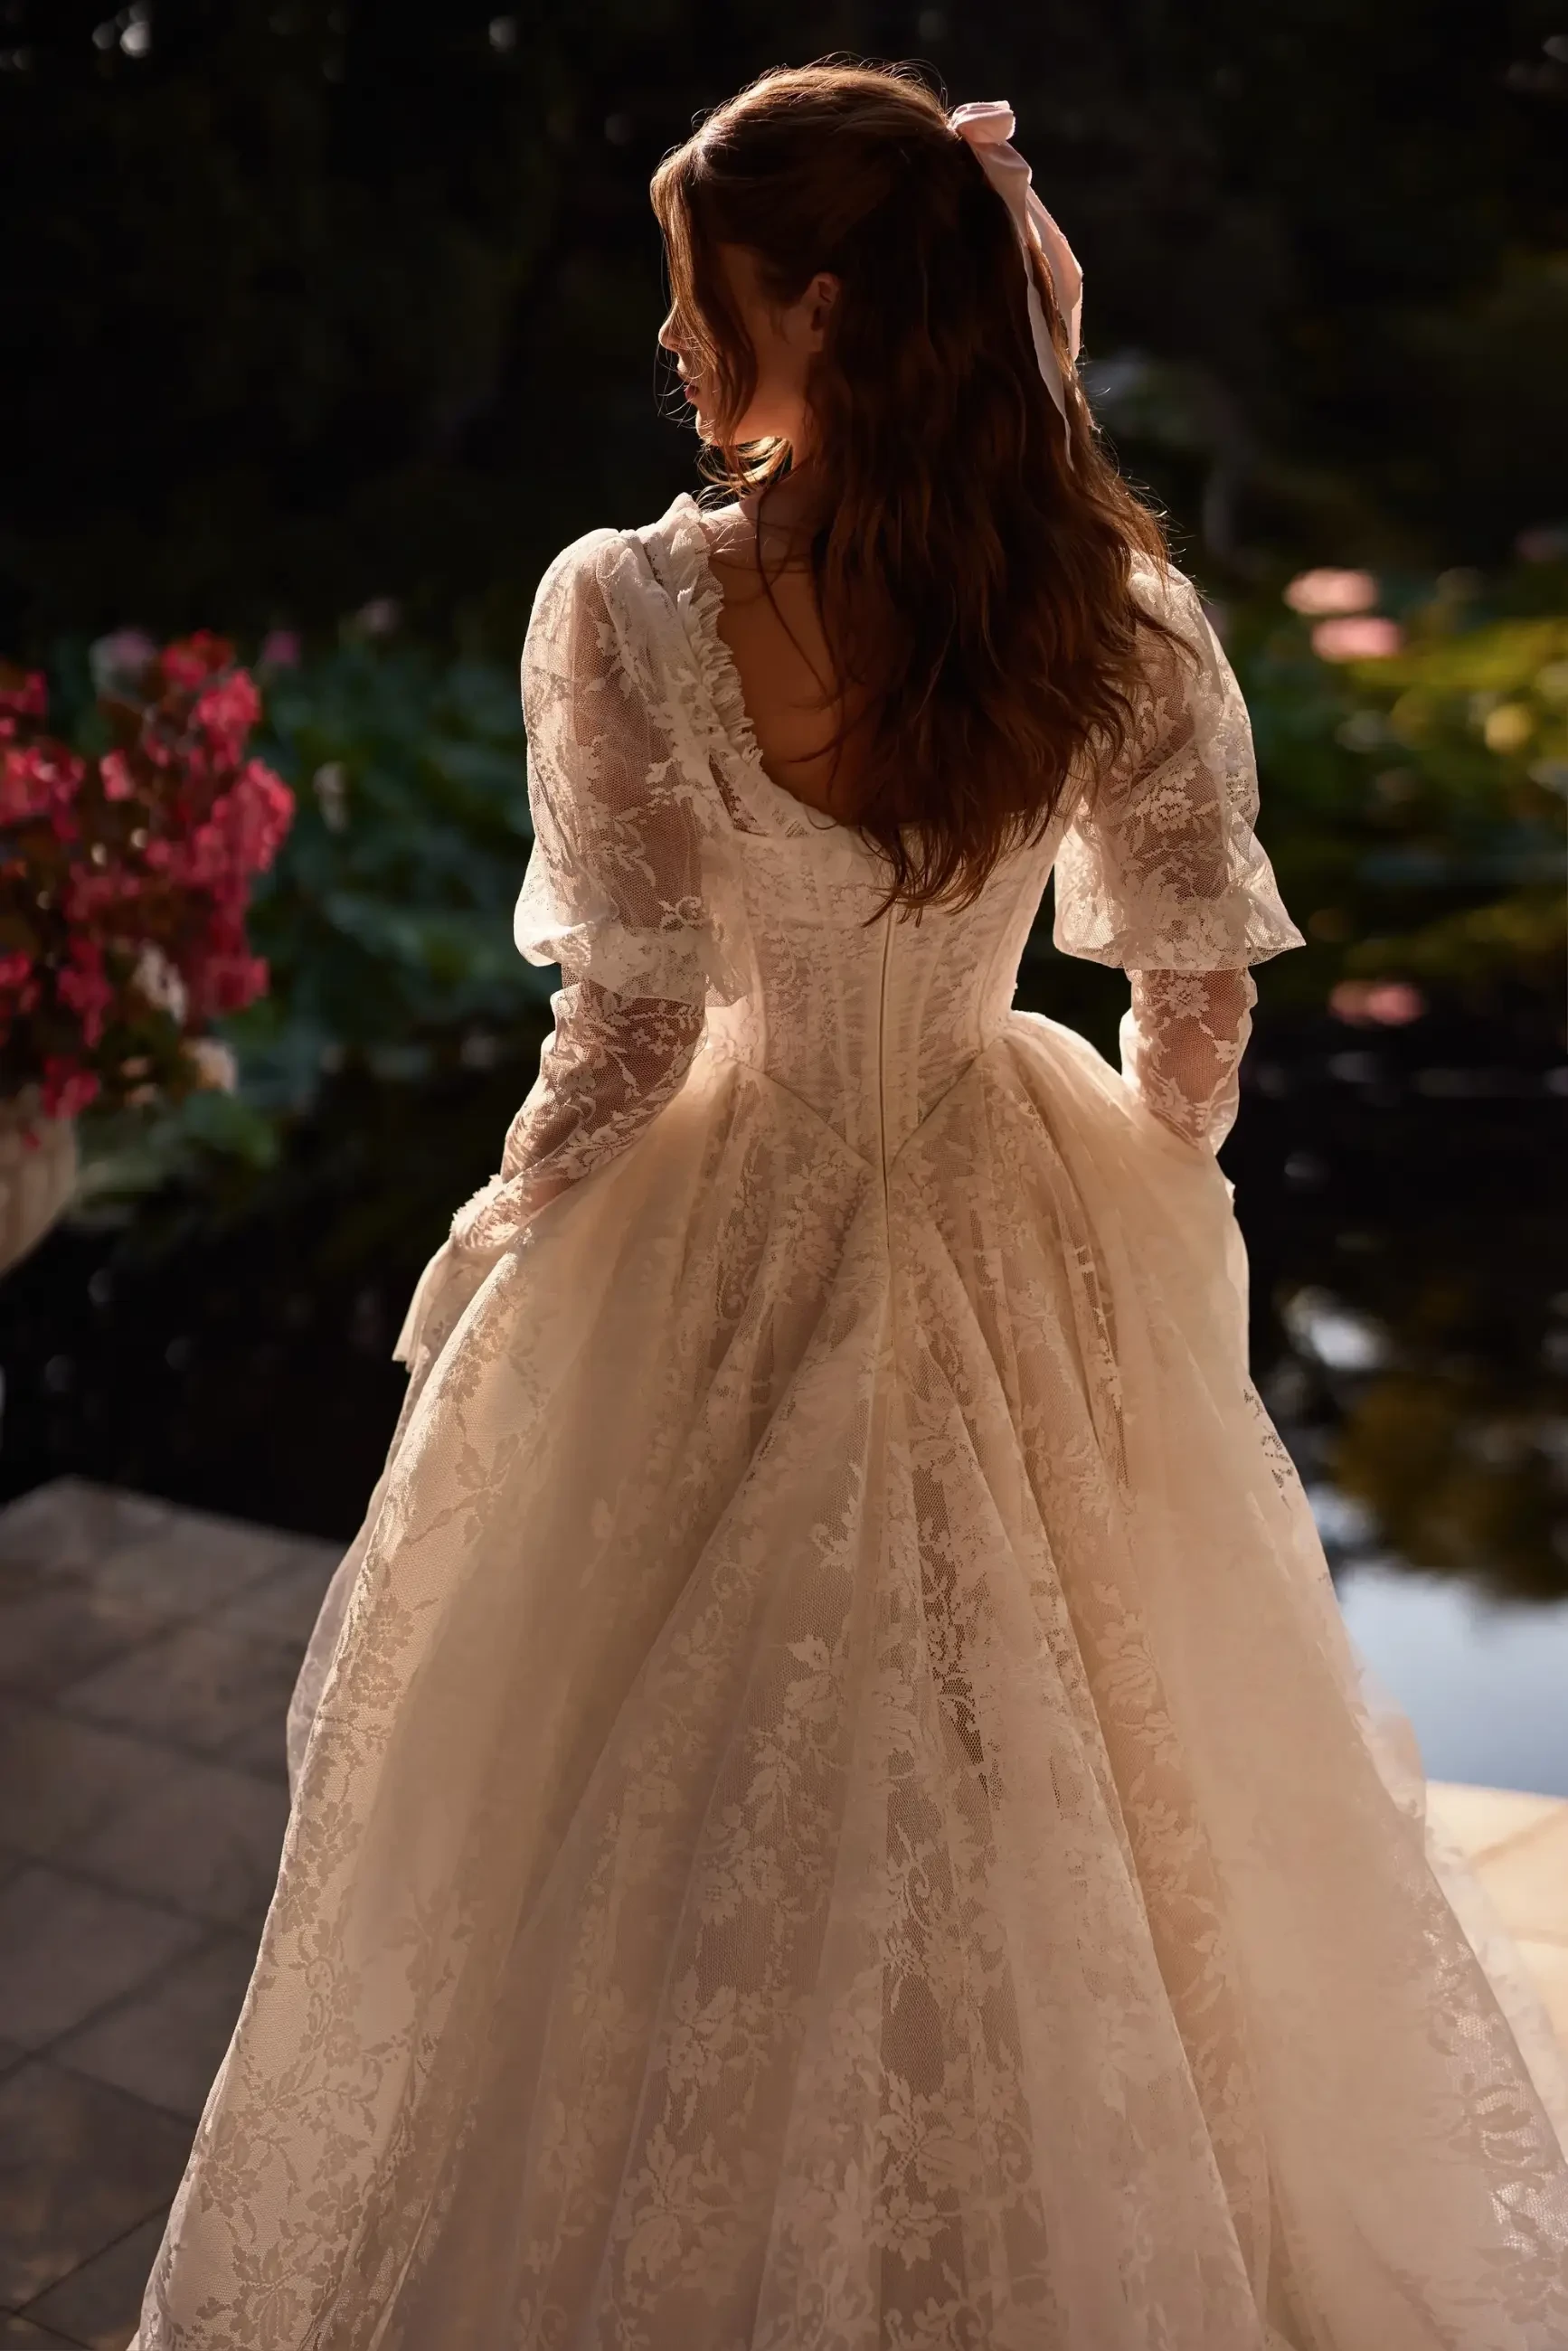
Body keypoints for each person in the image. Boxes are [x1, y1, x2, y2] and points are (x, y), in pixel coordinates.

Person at [134, 61, 1568, 2351]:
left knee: (667, 1826)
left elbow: (617, 1039)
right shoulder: (1098, 595)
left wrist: (508, 1236)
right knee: (1069, 1792)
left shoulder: (628, 606)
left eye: (697, 297)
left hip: (740, 1185)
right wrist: (1129, 1214)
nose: (670, 345)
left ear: (813, 299)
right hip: (1018, 1184)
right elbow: (1192, 1008)